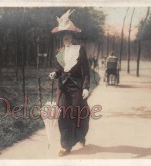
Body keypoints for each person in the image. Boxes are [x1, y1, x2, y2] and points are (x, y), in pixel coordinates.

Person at [49, 9, 90, 157]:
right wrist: (55, 74)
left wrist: (86, 87)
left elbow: (86, 71)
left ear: (72, 36)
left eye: (68, 35)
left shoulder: (80, 50)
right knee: (64, 114)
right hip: (63, 87)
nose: (66, 37)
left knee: (78, 113)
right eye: (63, 35)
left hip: (77, 86)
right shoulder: (59, 51)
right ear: (61, 37)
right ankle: (66, 145)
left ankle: (80, 135)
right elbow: (60, 69)